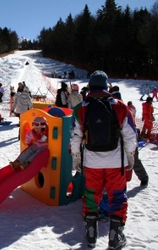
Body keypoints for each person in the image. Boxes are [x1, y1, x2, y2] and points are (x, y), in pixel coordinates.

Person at [70, 70, 136, 249]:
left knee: (91, 195)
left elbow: (76, 137)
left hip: (92, 162)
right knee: (117, 196)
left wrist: (76, 158)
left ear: (90, 86)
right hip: (117, 162)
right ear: (107, 86)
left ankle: (91, 233)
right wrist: (130, 156)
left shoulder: (81, 108)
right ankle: (116, 236)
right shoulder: (120, 106)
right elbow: (130, 135)